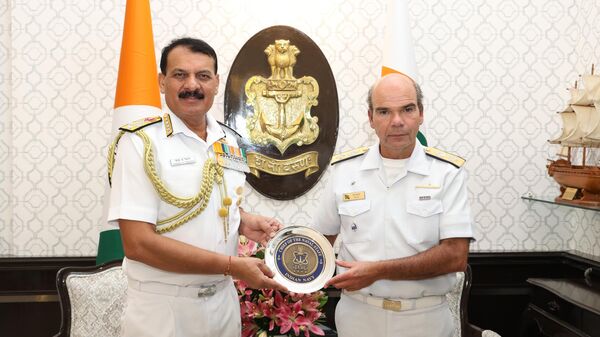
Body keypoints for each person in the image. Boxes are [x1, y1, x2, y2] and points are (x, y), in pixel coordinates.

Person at [107, 37, 285, 337]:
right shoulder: (140, 143)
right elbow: (137, 243)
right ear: (162, 82)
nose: (192, 85)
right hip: (163, 310)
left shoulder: (228, 141)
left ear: (216, 83)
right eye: (180, 75)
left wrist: (243, 221)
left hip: (223, 304)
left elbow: (213, 200)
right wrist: (231, 265)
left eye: (203, 76)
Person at [312, 73, 473, 337]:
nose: (397, 122)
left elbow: (456, 256)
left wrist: (377, 271)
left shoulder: (447, 173)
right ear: (370, 118)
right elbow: (319, 242)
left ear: (421, 113)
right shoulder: (344, 171)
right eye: (384, 111)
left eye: (407, 109)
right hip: (358, 318)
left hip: (424, 320)